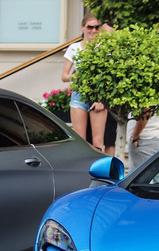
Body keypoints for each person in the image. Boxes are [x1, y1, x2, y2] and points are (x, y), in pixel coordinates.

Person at [62, 13, 108, 152]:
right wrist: (78, 77)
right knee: (80, 142)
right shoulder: (74, 48)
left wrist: (102, 99)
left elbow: (107, 77)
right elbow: (64, 76)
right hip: (79, 94)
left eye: (96, 27)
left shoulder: (103, 48)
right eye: (90, 27)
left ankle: (100, 173)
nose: (93, 30)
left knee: (98, 143)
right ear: (83, 28)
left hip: (98, 95)